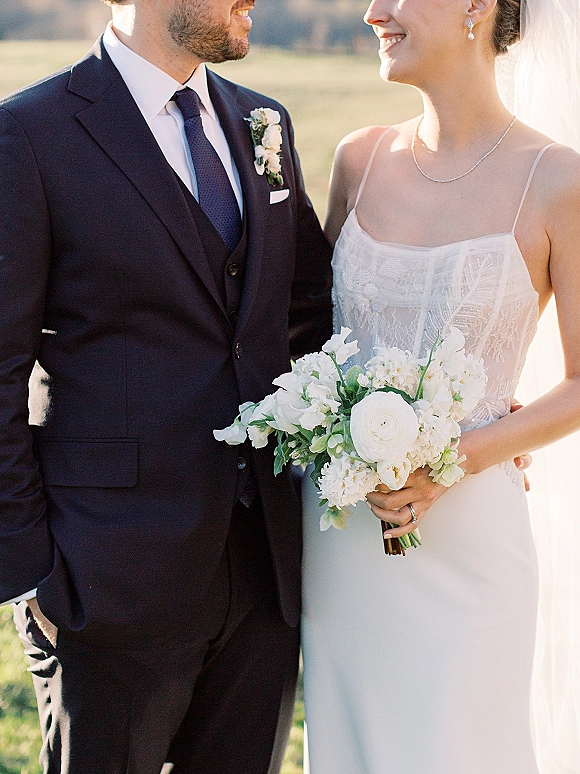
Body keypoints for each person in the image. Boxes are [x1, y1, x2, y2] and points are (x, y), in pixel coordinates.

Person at [0, 0, 333, 771]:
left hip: (263, 579)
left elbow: (310, 312)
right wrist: (35, 580)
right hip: (104, 584)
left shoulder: (263, 122)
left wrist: (441, 414)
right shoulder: (31, 134)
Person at [301, 0, 580, 772]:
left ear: (476, 6)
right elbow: (309, 344)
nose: (371, 12)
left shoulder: (557, 179)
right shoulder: (358, 160)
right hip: (344, 537)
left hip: (472, 546)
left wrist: (468, 450)